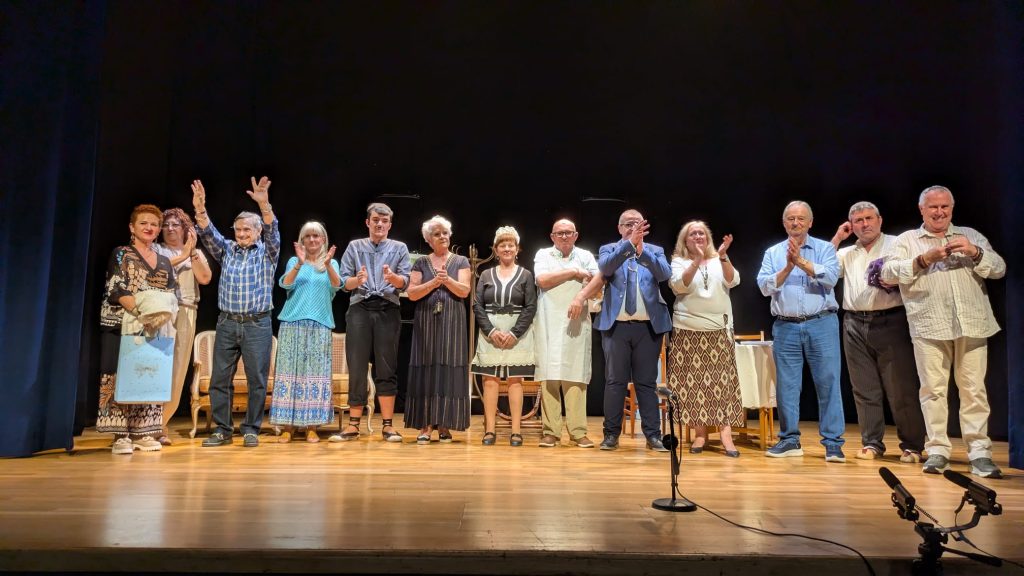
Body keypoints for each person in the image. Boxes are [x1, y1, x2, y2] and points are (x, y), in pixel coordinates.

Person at [882, 186, 1006, 478]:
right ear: (921, 210)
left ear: (952, 208)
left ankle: (980, 453)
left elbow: (999, 268)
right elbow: (887, 274)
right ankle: (938, 450)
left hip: (971, 323)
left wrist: (975, 252)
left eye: (944, 207)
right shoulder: (907, 240)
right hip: (929, 324)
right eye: (933, 207)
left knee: (974, 391)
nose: (939, 212)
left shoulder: (969, 235)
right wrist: (923, 259)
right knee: (933, 391)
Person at [830, 201, 926, 463]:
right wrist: (838, 238)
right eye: (858, 221)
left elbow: (915, 270)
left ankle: (912, 445)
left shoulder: (897, 244)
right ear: (852, 225)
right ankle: (872, 443)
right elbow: (823, 269)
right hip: (854, 323)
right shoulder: (846, 253)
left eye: (869, 218)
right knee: (864, 388)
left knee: (901, 387)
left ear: (880, 220)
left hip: (891, 320)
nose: (865, 224)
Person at [193, 177, 280, 448]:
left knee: (257, 380)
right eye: (238, 229)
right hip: (228, 323)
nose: (241, 234)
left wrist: (264, 205)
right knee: (220, 380)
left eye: (246, 230)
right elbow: (208, 234)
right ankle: (223, 429)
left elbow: (273, 231)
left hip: (257, 324)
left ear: (257, 231)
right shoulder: (227, 250)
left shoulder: (268, 253)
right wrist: (200, 209)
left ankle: (251, 428)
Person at [756, 201, 845, 462]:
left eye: (801, 218)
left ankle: (833, 443)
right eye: (791, 218)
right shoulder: (773, 252)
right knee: (787, 386)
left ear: (810, 222)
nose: (796, 223)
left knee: (828, 383)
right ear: (784, 223)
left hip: (822, 322)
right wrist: (788, 267)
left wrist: (801, 261)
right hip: (786, 325)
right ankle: (789, 440)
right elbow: (764, 287)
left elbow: (831, 278)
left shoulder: (825, 248)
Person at [97, 204, 178, 454]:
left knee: (147, 375)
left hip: (153, 327)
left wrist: (156, 316)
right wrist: (140, 313)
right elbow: (116, 287)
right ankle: (121, 434)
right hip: (121, 323)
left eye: (154, 224)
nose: (149, 227)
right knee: (119, 376)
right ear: (132, 227)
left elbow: (170, 292)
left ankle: (143, 432)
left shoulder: (164, 261)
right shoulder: (122, 254)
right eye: (143, 223)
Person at [594, 209, 672, 452]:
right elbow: (606, 268)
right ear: (619, 228)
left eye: (637, 224)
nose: (633, 228)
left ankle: (653, 435)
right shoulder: (609, 249)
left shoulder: (655, 250)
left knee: (646, 383)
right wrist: (629, 246)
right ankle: (611, 434)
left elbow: (664, 274)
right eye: (628, 224)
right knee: (614, 381)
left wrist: (641, 250)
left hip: (648, 327)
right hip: (615, 327)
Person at [333, 203, 410, 443]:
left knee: (387, 367)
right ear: (368, 222)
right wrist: (358, 280)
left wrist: (393, 277)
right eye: (376, 220)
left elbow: (405, 283)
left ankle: (388, 425)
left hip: (388, 308)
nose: (380, 224)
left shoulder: (399, 248)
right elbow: (343, 284)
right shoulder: (355, 246)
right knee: (356, 366)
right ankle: (353, 425)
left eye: (384, 221)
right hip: (360, 308)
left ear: (390, 224)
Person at [667, 220, 743, 457]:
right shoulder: (678, 261)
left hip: (718, 329)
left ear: (708, 238)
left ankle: (726, 435)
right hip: (687, 330)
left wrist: (723, 256)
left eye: (701, 233)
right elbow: (680, 286)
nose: (698, 236)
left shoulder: (720, 259)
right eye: (693, 234)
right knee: (693, 384)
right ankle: (700, 435)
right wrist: (696, 261)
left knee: (722, 383)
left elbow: (733, 280)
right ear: (685, 239)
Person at [533, 219, 603, 448]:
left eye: (568, 232)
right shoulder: (543, 254)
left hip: (576, 321)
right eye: (560, 233)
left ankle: (578, 431)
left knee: (576, 374)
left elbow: (597, 282)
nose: (564, 236)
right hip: (549, 321)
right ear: (552, 236)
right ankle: (551, 431)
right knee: (550, 375)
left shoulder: (586, 255)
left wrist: (581, 284)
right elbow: (542, 280)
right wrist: (574, 272)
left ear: (576, 235)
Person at [270, 221, 342, 444]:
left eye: (316, 236)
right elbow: (285, 285)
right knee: (289, 375)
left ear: (323, 239)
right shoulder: (294, 261)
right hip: (293, 324)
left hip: (319, 324)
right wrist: (299, 264)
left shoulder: (331, 263)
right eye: (307, 236)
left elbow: (337, 285)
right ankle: (288, 427)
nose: (312, 239)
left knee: (315, 376)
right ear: (302, 241)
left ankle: (312, 427)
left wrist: (328, 265)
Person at [404, 216, 472, 444]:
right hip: (426, 321)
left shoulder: (461, 261)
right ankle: (426, 425)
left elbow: (464, 291)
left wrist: (447, 280)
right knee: (426, 368)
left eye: (445, 233)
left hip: (453, 320)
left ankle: (444, 424)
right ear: (428, 239)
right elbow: (412, 293)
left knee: (448, 367)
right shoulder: (421, 263)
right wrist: (434, 282)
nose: (442, 236)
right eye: (437, 234)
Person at [471, 226, 537, 447]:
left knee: (515, 381)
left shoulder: (525, 275)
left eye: (511, 245)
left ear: (517, 249)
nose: (507, 248)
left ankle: (516, 431)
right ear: (496, 249)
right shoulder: (486, 275)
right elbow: (478, 305)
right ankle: (490, 430)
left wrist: (514, 333)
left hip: (516, 333)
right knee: (490, 381)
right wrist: (490, 331)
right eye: (502, 245)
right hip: (490, 332)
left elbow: (530, 307)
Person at [153, 208, 212, 446]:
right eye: (166, 224)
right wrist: (183, 254)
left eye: (175, 224)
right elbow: (156, 268)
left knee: (177, 369)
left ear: (185, 229)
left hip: (186, 309)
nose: (170, 229)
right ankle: (147, 422)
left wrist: (191, 252)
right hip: (160, 311)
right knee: (158, 366)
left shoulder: (194, 253)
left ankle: (161, 423)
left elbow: (205, 278)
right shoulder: (156, 249)